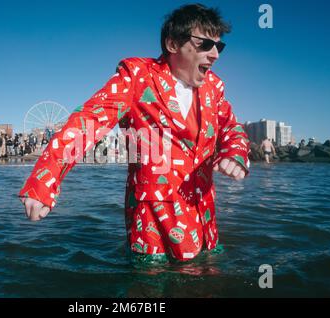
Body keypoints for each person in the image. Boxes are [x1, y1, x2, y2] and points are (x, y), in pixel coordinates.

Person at [19, 4, 250, 262]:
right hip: (153, 221)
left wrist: (235, 153)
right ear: (172, 44)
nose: (215, 54)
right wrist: (44, 180)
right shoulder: (138, 76)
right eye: (205, 44)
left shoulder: (214, 88)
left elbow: (232, 127)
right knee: (147, 292)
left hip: (204, 218)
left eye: (220, 46)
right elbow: (87, 122)